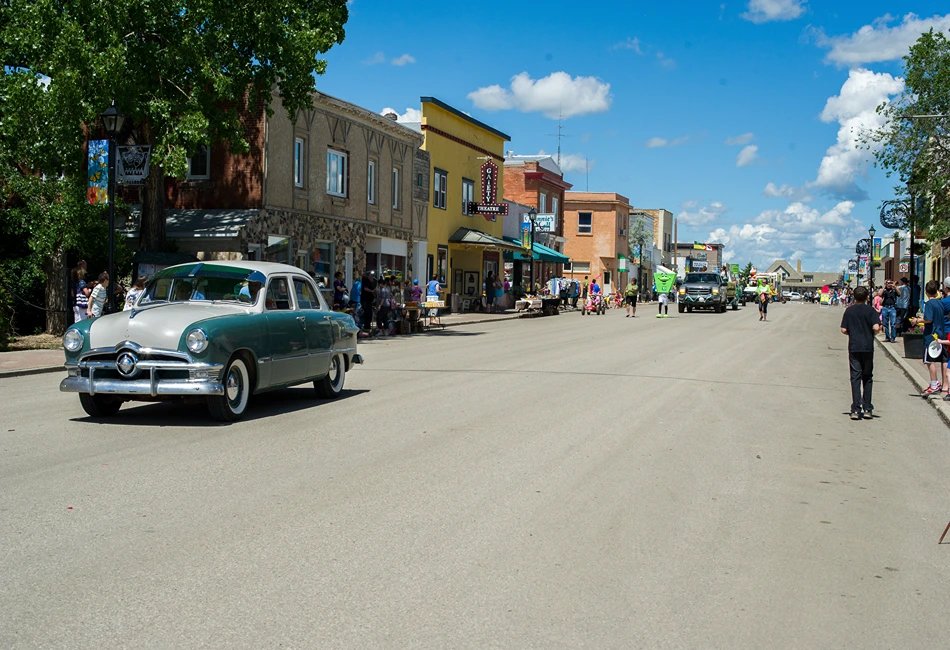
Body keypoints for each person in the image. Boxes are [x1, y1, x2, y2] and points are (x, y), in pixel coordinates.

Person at [840, 285, 881, 420]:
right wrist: (873, 330)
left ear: (854, 296)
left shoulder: (849, 311)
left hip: (854, 346)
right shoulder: (871, 311)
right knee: (867, 377)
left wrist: (853, 331)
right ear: (866, 297)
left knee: (855, 377)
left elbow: (843, 330)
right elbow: (876, 328)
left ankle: (856, 409)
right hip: (868, 347)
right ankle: (868, 407)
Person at [909, 280, 946, 397]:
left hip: (931, 334)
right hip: (940, 333)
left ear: (926, 291)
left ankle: (934, 384)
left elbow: (929, 319)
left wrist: (917, 320)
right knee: (940, 359)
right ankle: (939, 384)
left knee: (929, 360)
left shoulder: (929, 304)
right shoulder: (940, 303)